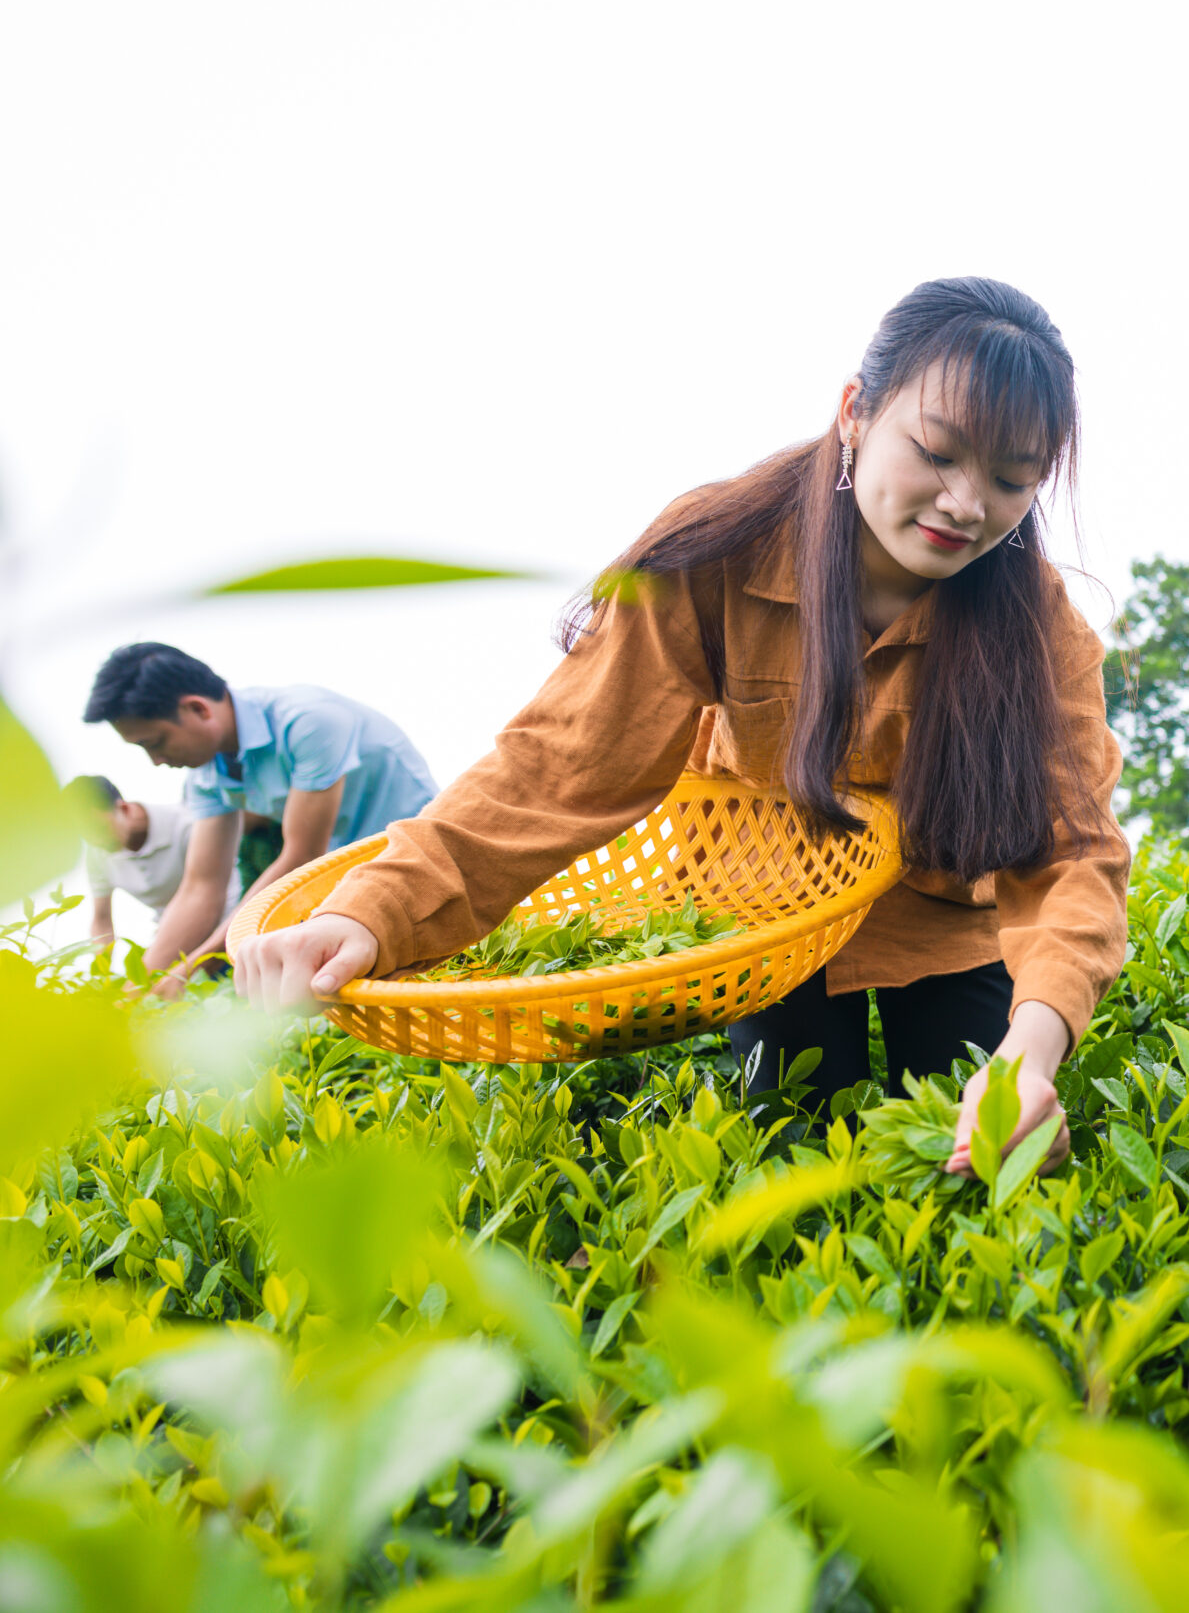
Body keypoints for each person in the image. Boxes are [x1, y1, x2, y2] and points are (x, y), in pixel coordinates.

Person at [233, 277, 1128, 1175]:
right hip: (776, 920)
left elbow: (1072, 855)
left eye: (1013, 479)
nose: (967, 504)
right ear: (857, 411)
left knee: (990, 1172)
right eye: (938, 452)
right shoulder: (721, 551)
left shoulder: (1041, 627)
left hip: (947, 924)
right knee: (796, 1167)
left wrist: (1033, 1049)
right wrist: (374, 911)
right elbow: (560, 765)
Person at [83, 642, 437, 998]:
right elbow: (201, 888)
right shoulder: (207, 775)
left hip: (416, 855)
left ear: (197, 708)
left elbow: (302, 856)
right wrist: (136, 988)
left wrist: (195, 965)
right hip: (348, 871)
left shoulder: (309, 721)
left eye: (156, 742)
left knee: (426, 982)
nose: (156, 760)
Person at [66, 775, 242, 949]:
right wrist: (102, 971)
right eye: (87, 836)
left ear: (124, 808)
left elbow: (208, 895)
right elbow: (102, 920)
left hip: (228, 925)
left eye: (100, 829)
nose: (98, 841)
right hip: (173, 936)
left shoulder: (185, 825)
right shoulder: (98, 854)